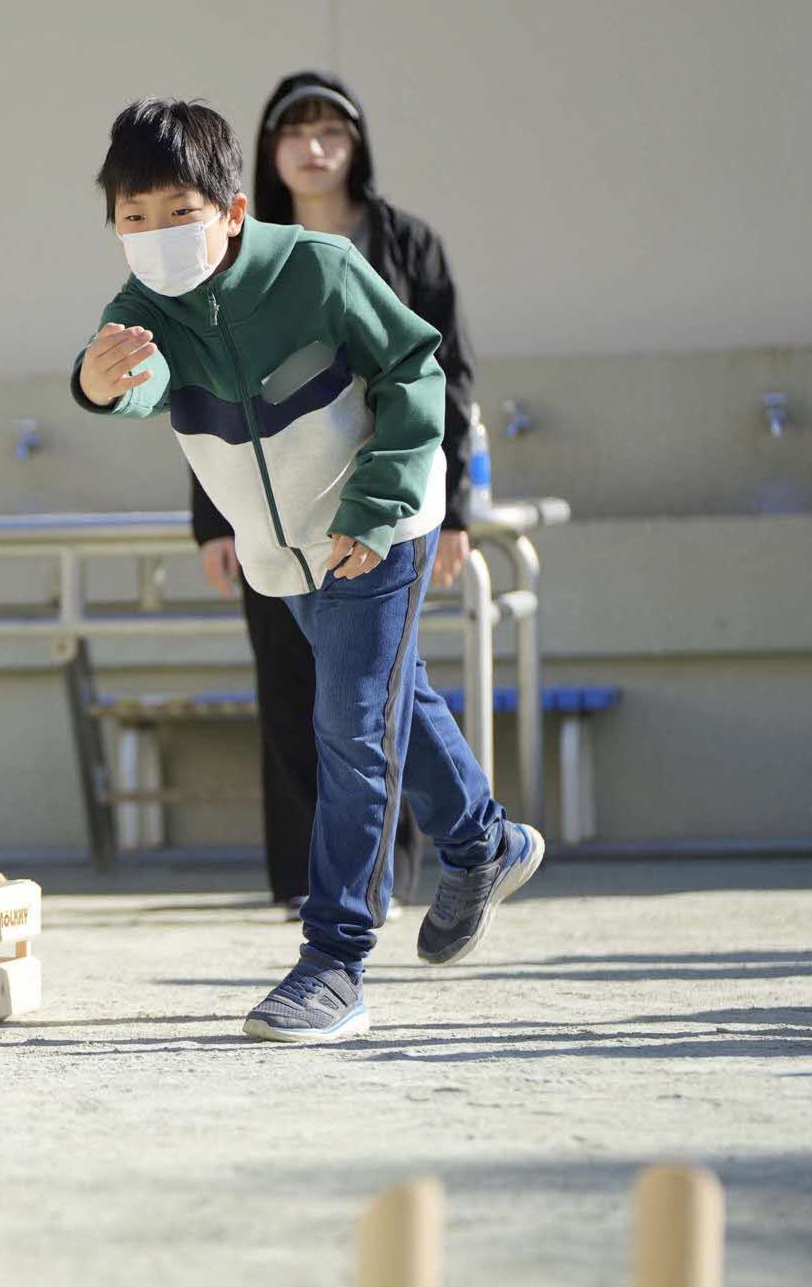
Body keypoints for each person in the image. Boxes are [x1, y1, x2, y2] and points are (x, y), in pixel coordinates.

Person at [72, 97, 543, 1043]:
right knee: (389, 698)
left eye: (178, 212)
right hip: (280, 557)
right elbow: (144, 381)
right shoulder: (140, 308)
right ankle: (484, 842)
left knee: (348, 722)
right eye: (133, 217)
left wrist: (380, 505)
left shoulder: (319, 268)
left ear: (233, 210)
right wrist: (98, 381)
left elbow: (416, 369)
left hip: (378, 523)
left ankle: (335, 958)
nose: (154, 235)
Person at [194, 71, 481, 923]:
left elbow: (443, 379)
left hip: (380, 500)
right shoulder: (239, 253)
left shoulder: (407, 244)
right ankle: (313, 873)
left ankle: (363, 895)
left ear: (357, 147)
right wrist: (213, 521)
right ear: (268, 152)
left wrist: (451, 504)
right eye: (294, 132)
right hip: (273, 507)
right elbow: (209, 392)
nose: (314, 149)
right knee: (298, 686)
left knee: (367, 695)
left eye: (332, 132)